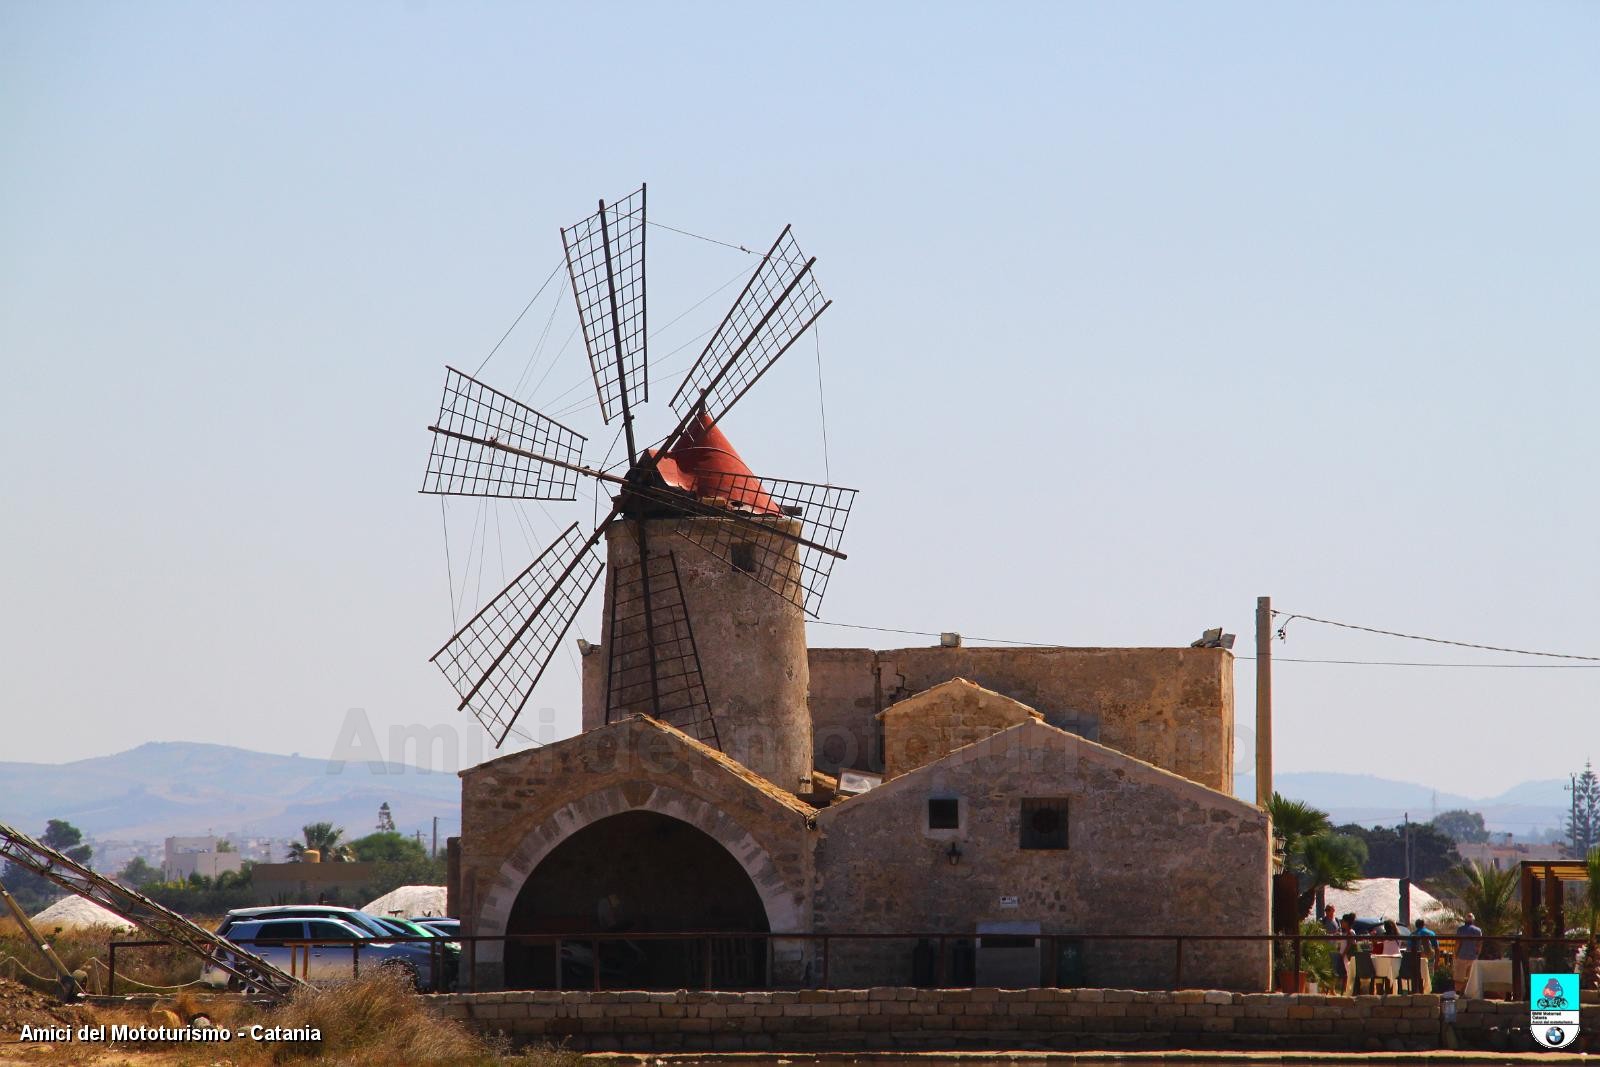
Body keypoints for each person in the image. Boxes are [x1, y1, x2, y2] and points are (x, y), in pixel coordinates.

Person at [1454, 913, 1483, 991]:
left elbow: (1458, 943)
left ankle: (1458, 993)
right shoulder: (1478, 930)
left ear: (1465, 920)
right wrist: (1477, 954)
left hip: (1461, 956)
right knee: (1470, 977)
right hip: (1472, 957)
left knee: (1459, 977)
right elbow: (1479, 944)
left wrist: (1455, 954)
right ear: (1473, 920)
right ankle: (1468, 992)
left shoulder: (1460, 929)